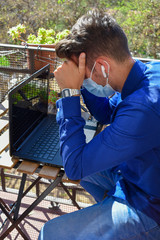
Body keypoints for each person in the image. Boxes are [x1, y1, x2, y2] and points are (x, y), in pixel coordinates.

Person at [39, 9, 160, 240]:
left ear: (103, 67)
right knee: (84, 168)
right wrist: (82, 82)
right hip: (136, 174)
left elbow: (74, 167)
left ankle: (130, 228)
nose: (83, 80)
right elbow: (105, 112)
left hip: (149, 205)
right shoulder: (142, 74)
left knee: (50, 233)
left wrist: (70, 93)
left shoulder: (144, 107)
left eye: (84, 74)